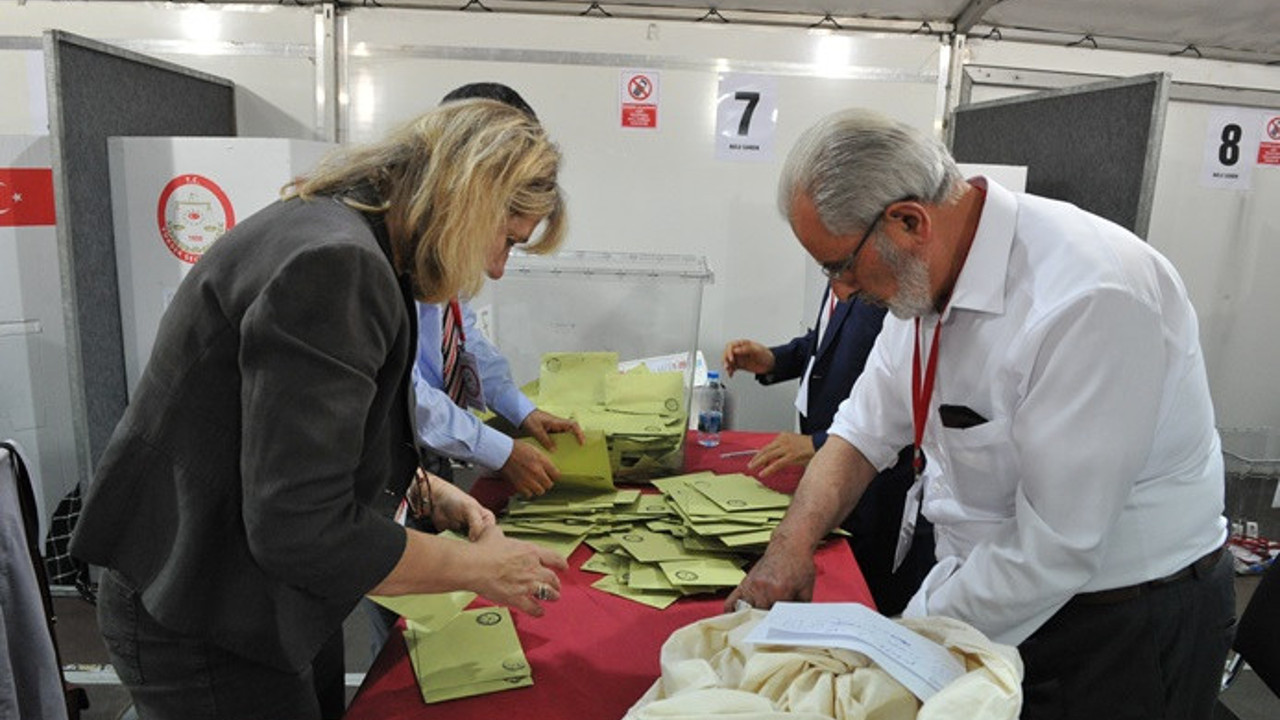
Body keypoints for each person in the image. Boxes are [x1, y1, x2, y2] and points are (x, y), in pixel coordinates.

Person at [70, 99, 571, 720]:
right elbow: (299, 526)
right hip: (205, 610)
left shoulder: (340, 229)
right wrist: (476, 568)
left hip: (241, 592)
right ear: (471, 200)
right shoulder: (338, 263)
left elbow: (286, 438)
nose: (495, 268)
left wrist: (423, 487)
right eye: (507, 241)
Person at [726, 108, 1233, 720]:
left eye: (842, 266)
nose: (841, 290)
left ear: (909, 221)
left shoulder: (1089, 297)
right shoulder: (924, 275)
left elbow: (1056, 546)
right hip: (995, 591)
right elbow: (859, 434)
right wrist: (789, 548)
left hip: (1120, 625)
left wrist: (903, 638)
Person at [413, 82, 583, 500]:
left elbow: (462, 339)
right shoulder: (384, 258)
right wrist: (499, 451)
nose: (497, 270)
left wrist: (521, 411)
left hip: (429, 459)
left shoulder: (447, 246)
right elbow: (403, 392)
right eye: (507, 240)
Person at [722, 290, 934, 615]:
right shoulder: (842, 277)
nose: (840, 283)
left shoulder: (888, 293)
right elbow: (822, 341)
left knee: (870, 591)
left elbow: (896, 409)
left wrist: (818, 443)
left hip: (874, 488)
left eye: (839, 269)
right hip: (833, 460)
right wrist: (774, 360)